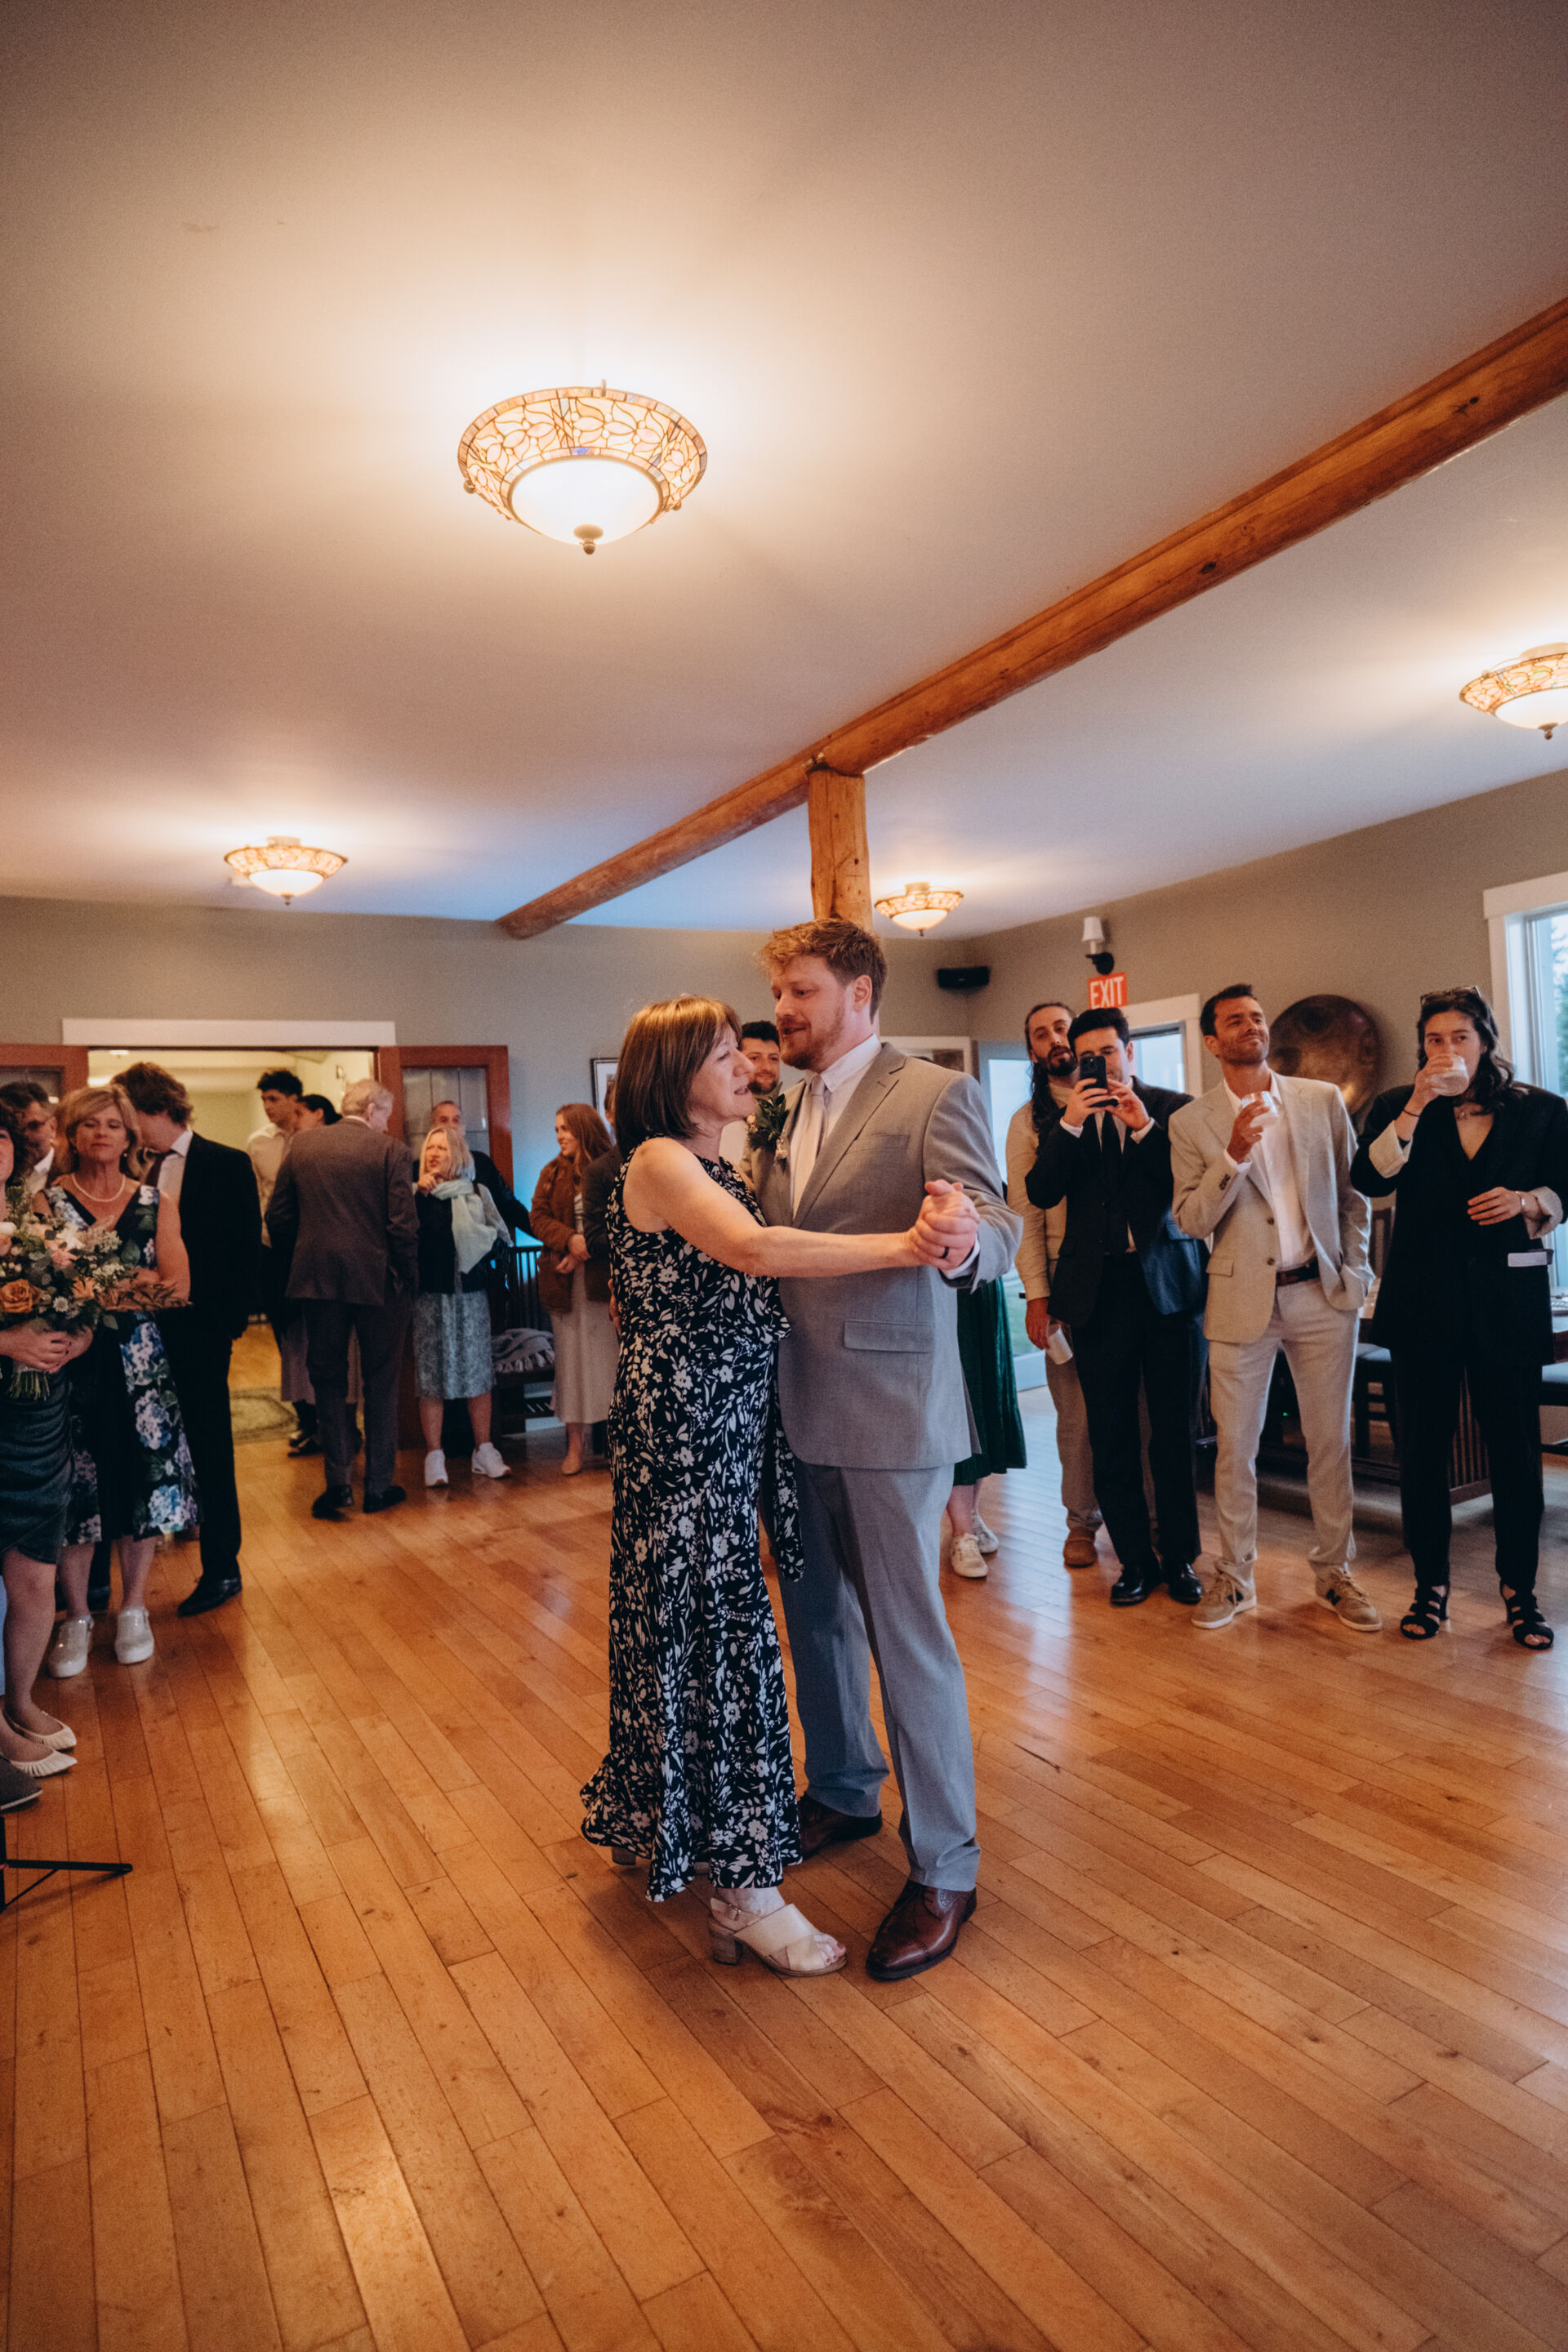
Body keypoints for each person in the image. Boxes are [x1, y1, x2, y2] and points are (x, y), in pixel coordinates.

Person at [581, 994, 960, 1976]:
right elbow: (753, 1252)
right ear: (675, 1076)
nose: (748, 1067)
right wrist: (905, 1247)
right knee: (720, 1638)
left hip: (729, 1421)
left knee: (691, 1629)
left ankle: (665, 1822)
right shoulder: (661, 1161)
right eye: (723, 1056)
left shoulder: (716, 1161)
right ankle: (744, 1894)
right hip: (692, 1431)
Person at [752, 919, 1021, 1983]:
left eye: (802, 990)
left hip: (893, 1408)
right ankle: (844, 1789)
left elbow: (993, 1218)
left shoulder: (935, 1094)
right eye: (778, 991)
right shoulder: (782, 1108)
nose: (783, 1009)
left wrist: (965, 1240)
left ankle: (947, 1866)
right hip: (791, 1404)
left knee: (910, 1643)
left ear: (860, 992)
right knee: (816, 1619)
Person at [1352, 987, 1568, 1650]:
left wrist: (1528, 1200)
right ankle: (1430, 1586)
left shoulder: (1540, 1109)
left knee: (1516, 1454)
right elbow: (1369, 1179)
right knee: (1422, 1453)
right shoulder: (1398, 1106)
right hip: (1424, 1304)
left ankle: (1520, 1592)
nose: (1446, 1050)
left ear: (1486, 1041)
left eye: (1460, 1037)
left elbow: (1565, 1184)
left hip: (1509, 1303)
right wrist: (1417, 1104)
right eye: (1434, 1039)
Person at [1169, 985, 1379, 1633]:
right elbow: (1189, 1219)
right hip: (1239, 1301)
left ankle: (1335, 1573)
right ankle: (1235, 1577)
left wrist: (1356, 1269)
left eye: (1257, 1017)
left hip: (1321, 1293)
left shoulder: (1319, 1100)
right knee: (1235, 1449)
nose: (1252, 1026)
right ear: (1213, 1041)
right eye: (1235, 1020)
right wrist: (1232, 1153)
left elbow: (1354, 1196)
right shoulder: (1191, 1123)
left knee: (1329, 1443)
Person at [1027, 1009, 1205, 1606]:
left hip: (1169, 1289)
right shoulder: (1065, 1120)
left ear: (1129, 1051)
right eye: (1088, 1056)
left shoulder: (1173, 1108)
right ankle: (1133, 1561)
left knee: (1174, 1432)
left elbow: (1185, 1186)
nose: (1099, 1063)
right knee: (1111, 1433)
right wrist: (1071, 1124)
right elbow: (1040, 1192)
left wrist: (1143, 1127)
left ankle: (1179, 1558)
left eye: (1108, 1051)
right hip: (1096, 1294)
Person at [47, 1085, 198, 1676]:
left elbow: (177, 1289)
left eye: (112, 1124)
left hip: (140, 1362)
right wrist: (134, 1282)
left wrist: (93, 1287)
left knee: (142, 1477)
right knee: (74, 1485)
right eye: (89, 1124)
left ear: (130, 1134)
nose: (101, 1134)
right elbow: (49, 1292)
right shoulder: (47, 1203)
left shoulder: (157, 1200)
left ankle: (135, 1607)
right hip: (71, 1360)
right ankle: (78, 1614)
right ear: (72, 1134)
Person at [118, 1062, 261, 1617]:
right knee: (139, 1443)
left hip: (201, 1330)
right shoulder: (129, 1168)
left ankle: (222, 1567)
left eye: (128, 1116)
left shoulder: (227, 1163)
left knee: (210, 1445)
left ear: (155, 1109)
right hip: (133, 1333)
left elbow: (245, 1249)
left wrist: (227, 1324)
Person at [267, 1078, 417, 1518]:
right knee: (381, 1382)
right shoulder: (391, 1151)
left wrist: (305, 1253)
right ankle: (378, 1487)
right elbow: (402, 1225)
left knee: (328, 1380)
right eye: (385, 1114)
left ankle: (338, 1486)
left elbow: (277, 1216)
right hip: (379, 1281)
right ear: (371, 1110)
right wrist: (408, 1276)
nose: (386, 1122)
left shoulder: (302, 1146)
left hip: (318, 1280)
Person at [0, 1098, 92, 1784]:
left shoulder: (40, 1217)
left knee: (35, 1572)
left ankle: (20, 1702)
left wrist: (72, 1341)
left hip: (39, 1418)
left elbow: (83, 1302)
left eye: (1, 1137)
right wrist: (8, 1343)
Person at [1005, 1001, 1103, 1570]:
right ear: (1033, 1052)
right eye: (1041, 1034)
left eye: (1062, 1027)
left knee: (1139, 1410)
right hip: (1067, 1282)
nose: (1054, 1039)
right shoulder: (1028, 1122)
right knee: (1077, 1417)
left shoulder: (1120, 1101)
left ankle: (1145, 1518)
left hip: (1127, 1280)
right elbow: (1025, 1213)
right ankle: (1080, 1521)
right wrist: (1038, 1297)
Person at [414, 1124, 510, 1487]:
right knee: (431, 1377)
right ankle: (434, 1455)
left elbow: (502, 1240)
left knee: (478, 1374)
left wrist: (482, 1245)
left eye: (441, 1147)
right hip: (430, 1298)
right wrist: (418, 1193)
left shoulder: (477, 1192)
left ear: (457, 1153)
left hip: (472, 1297)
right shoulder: (415, 1197)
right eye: (430, 1147)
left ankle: (484, 1450)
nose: (434, 1153)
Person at [532, 1103, 619, 1476]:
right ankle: (574, 1448)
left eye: (565, 1129)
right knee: (570, 1367)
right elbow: (538, 1217)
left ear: (583, 1129)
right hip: (565, 1285)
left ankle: (619, 1447)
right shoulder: (551, 1173)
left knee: (612, 1365)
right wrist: (570, 1241)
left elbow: (622, 1219)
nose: (560, 1136)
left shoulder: (612, 1167)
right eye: (556, 1130)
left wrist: (585, 1251)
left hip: (605, 1281)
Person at [250, 1069, 315, 1450]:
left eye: (273, 1098)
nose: (267, 1106)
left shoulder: (318, 1137)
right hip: (274, 1252)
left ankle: (336, 1419)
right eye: (263, 1099)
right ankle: (305, 1418)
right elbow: (255, 1197)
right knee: (287, 1337)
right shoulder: (258, 1144)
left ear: (294, 1099)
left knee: (322, 1334)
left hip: (314, 1248)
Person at [945, 1279, 1027, 1579]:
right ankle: (961, 1532)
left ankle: (970, 1513)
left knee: (984, 1393)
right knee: (955, 1396)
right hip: (938, 1288)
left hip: (981, 1284)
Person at [429, 1099, 531, 1237]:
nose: (451, 1125)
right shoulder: (419, 1169)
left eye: (456, 1120)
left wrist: (550, 1236)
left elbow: (509, 1206)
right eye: (443, 1120)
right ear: (433, 1128)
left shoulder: (482, 1163)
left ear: (463, 1129)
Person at [720, 1020, 785, 1169]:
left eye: (773, 1059)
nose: (766, 1067)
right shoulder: (720, 1123)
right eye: (755, 1058)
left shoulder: (789, 1116)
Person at [0, 1080, 58, 1196]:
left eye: (33, 1126)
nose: (25, 1135)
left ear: (53, 1127)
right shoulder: (4, 1172)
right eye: (15, 1129)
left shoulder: (72, 1173)